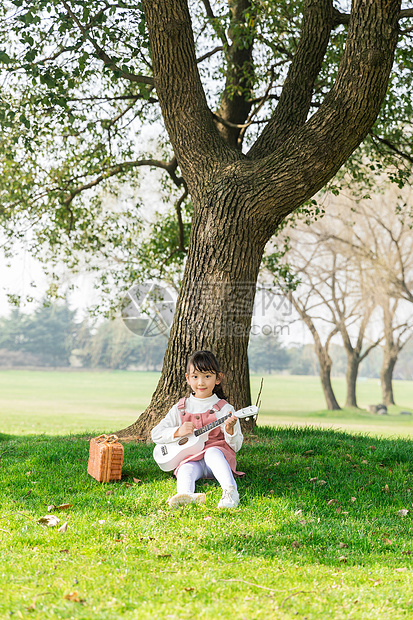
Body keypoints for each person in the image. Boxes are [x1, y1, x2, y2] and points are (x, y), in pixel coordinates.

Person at [151, 350, 243, 509]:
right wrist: (178, 432)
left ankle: (230, 491)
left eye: (207, 376)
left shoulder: (224, 409)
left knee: (211, 452)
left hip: (217, 461)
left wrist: (229, 430)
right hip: (192, 459)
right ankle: (185, 495)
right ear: (187, 379)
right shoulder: (181, 407)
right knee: (185, 469)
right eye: (195, 376)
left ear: (218, 378)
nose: (201, 382)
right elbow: (156, 434)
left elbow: (236, 446)